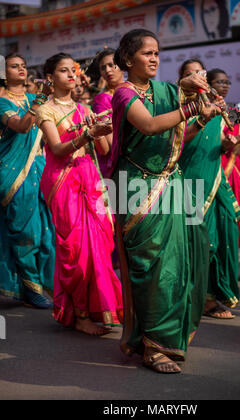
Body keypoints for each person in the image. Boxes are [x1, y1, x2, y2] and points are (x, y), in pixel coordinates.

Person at [112, 29, 221, 373]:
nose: (155, 58)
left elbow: (175, 137)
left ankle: (169, 337)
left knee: (181, 266)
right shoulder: (123, 93)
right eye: (147, 53)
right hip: (137, 191)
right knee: (152, 272)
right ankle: (154, 347)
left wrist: (201, 117)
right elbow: (148, 126)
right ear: (129, 59)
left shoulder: (166, 93)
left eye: (157, 52)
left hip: (171, 185)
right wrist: (190, 106)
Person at [36, 53, 123, 336]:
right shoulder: (45, 110)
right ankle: (80, 315)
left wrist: (102, 130)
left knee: (99, 245)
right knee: (74, 249)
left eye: (73, 70)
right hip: (62, 181)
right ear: (51, 77)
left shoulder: (86, 110)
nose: (72, 75)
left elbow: (105, 151)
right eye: (64, 71)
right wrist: (86, 134)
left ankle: (98, 308)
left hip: (89, 178)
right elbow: (58, 149)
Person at [178, 59, 240, 319]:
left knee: (221, 237)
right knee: (198, 242)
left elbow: (218, 142)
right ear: (182, 79)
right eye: (189, 73)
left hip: (214, 177)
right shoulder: (178, 106)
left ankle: (211, 295)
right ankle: (197, 299)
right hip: (190, 179)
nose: (196, 77)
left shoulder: (215, 103)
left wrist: (228, 144)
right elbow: (178, 140)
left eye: (199, 72)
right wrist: (202, 119)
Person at [0, 53, 55, 308]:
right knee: (25, 230)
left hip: (39, 168)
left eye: (23, 66)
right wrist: (42, 99)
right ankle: (31, 288)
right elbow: (21, 126)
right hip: (13, 172)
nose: (21, 69)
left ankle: (41, 284)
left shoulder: (35, 99)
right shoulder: (1, 102)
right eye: (14, 66)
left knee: (45, 228)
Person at [207, 68, 240, 249]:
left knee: (236, 218)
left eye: (227, 82)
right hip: (213, 168)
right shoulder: (204, 110)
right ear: (209, 85)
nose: (224, 86)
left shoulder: (232, 111)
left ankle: (231, 261)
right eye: (219, 82)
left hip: (232, 169)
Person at [90, 48, 124, 178]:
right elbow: (111, 143)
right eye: (103, 68)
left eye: (111, 65)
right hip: (117, 164)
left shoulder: (134, 91)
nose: (108, 70)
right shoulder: (102, 99)